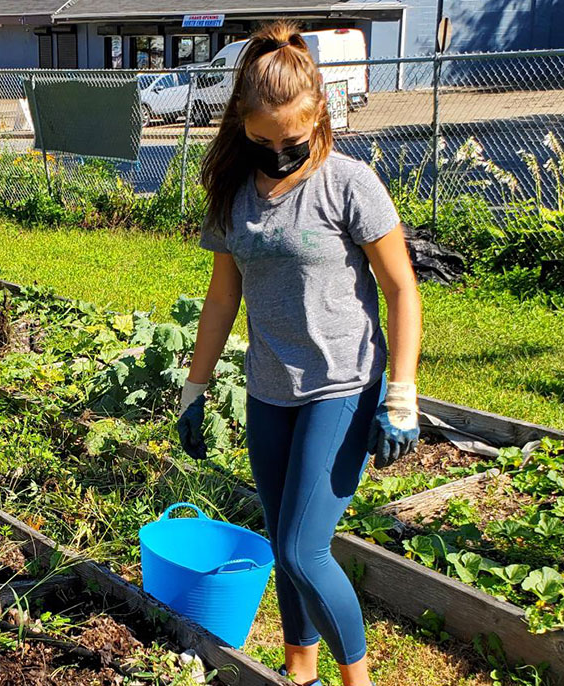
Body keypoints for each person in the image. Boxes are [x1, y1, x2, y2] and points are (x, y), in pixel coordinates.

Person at [175, 22, 421, 686]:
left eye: (293, 140)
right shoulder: (233, 195)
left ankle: (357, 682)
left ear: (318, 117)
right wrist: (195, 390)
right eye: (264, 141)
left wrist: (400, 395)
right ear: (242, 126)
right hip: (270, 390)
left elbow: (401, 289)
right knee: (286, 548)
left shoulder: (349, 184)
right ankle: (300, 673)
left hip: (341, 385)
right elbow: (222, 300)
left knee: (301, 547)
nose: (280, 152)